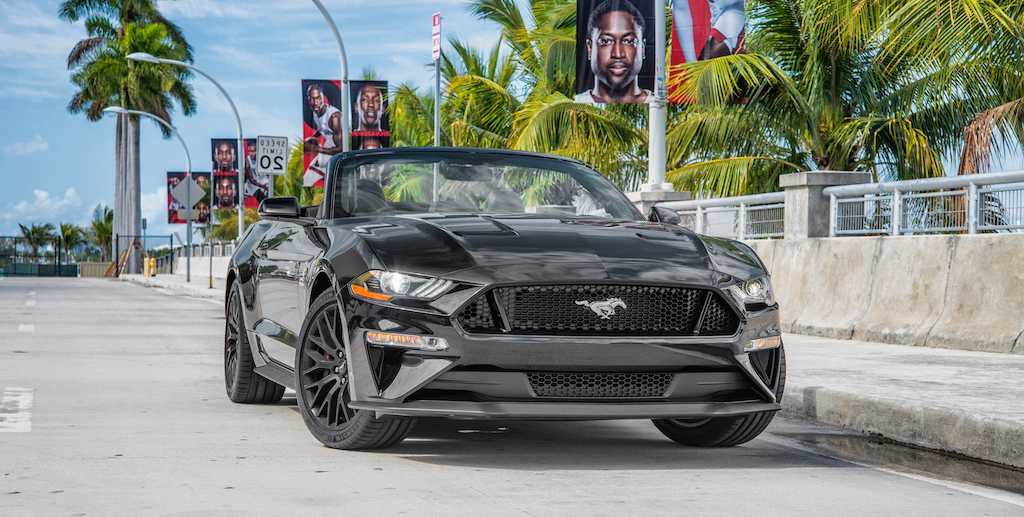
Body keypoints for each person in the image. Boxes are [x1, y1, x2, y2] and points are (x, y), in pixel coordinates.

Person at [575, 0, 652, 105]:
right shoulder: (575, 104)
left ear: (642, 48)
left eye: (628, 41)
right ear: (590, 48)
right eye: (606, 41)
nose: (618, 54)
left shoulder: (658, 108)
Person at [304, 83, 344, 156]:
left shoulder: (334, 117)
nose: (315, 102)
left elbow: (340, 149)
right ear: (308, 100)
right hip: (327, 148)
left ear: (323, 98)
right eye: (312, 99)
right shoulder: (315, 112)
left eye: (318, 98)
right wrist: (312, 137)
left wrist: (314, 148)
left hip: (337, 154)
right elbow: (322, 128)